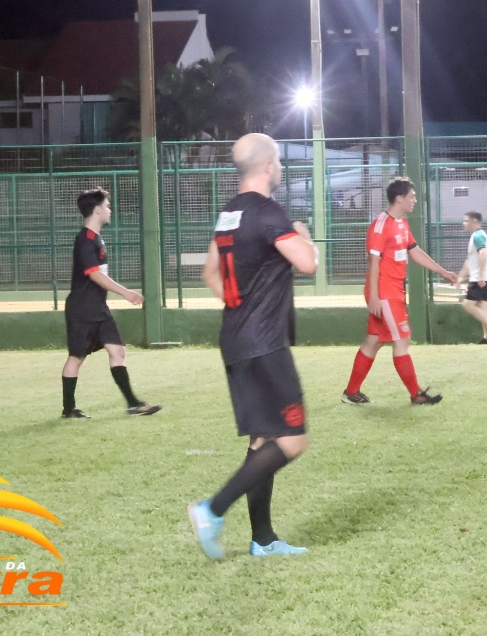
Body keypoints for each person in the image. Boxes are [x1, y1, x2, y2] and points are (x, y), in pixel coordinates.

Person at [188, 133, 319, 559]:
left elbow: (210, 272)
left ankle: (263, 540)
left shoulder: (229, 214)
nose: (279, 167)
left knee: (263, 440)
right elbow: (308, 263)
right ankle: (212, 509)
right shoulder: (267, 211)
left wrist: (240, 306)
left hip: (237, 339)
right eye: (277, 160)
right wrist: (303, 234)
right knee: (293, 439)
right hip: (264, 344)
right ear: (266, 165)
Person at [342, 177, 458, 405]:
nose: (415, 201)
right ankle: (417, 394)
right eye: (412, 197)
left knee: (374, 341)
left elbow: (415, 252)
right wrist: (374, 296)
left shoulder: (402, 223)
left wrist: (442, 272)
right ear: (399, 198)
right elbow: (373, 262)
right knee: (402, 340)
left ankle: (351, 392)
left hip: (393, 291)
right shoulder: (380, 225)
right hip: (384, 293)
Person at [60, 187, 161, 419]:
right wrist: (126, 293)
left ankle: (133, 404)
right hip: (82, 310)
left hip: (98, 309)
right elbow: (94, 274)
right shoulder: (85, 239)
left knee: (118, 351)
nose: (110, 210)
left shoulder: (96, 238)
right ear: (97, 210)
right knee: (77, 357)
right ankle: (69, 410)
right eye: (106, 206)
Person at [456, 211, 487, 344]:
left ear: (475, 221)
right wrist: (461, 277)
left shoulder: (478, 235)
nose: (464, 223)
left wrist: (480, 276)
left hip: (480, 278)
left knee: (467, 305)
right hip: (484, 277)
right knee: (482, 306)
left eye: (466, 221)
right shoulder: (476, 236)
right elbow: (470, 261)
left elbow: (483, 253)